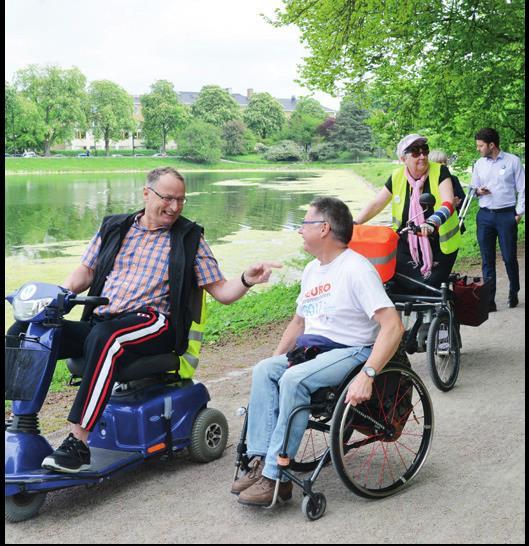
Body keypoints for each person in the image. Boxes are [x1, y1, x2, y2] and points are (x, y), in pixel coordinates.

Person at [6, 166, 281, 473]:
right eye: (168, 198)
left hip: (153, 323)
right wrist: (57, 296)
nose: (175, 207)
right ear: (147, 193)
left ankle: (78, 443)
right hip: (103, 321)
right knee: (26, 329)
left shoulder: (189, 238)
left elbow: (222, 292)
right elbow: (86, 272)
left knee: (106, 339)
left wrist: (246, 278)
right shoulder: (114, 227)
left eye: (181, 200)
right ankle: (19, 424)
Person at [231, 197, 404, 506]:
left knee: (294, 379)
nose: (299, 229)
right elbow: (299, 323)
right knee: (265, 370)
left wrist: (368, 374)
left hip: (351, 350)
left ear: (324, 228)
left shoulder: (356, 269)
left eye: (305, 223)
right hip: (314, 349)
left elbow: (392, 326)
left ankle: (276, 477)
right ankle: (260, 463)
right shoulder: (313, 270)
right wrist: (275, 359)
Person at [354, 134, 461, 294]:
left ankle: (441, 315)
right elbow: (376, 204)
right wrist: (354, 224)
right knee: (394, 289)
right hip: (407, 242)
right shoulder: (397, 176)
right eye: (416, 152)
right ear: (403, 158)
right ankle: (397, 319)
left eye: (425, 150)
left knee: (431, 290)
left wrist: (432, 222)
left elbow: (448, 202)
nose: (423, 156)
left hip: (441, 242)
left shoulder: (440, 172)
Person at [471, 128, 525, 311]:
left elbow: (522, 188)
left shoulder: (513, 161)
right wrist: (478, 191)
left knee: (509, 257)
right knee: (487, 260)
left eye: (480, 145)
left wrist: (518, 213)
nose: (478, 149)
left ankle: (514, 291)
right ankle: (489, 300)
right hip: (485, 215)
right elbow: (473, 188)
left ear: (491, 145)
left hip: (506, 215)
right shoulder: (478, 164)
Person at [428, 149, 467, 234]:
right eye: (439, 162)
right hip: (430, 222)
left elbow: (463, 200)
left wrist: (457, 203)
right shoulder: (425, 181)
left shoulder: (453, 179)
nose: (443, 164)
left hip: (451, 222)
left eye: (444, 161)